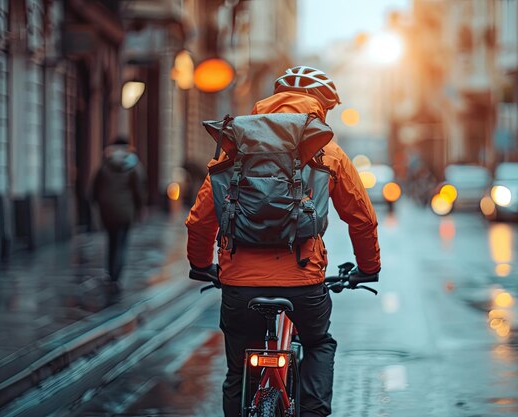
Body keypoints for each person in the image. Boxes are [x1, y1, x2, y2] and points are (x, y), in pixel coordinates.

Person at [185, 66, 381, 417]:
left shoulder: (236, 146)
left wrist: (201, 264)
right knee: (319, 343)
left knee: (237, 369)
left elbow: (201, 219)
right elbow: (362, 220)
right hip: (303, 281)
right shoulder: (327, 152)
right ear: (320, 106)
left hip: (239, 283)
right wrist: (368, 268)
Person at [92, 137, 146, 292]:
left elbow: (94, 188)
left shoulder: (105, 164)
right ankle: (116, 275)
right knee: (121, 243)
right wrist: (139, 208)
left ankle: (110, 273)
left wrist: (98, 203)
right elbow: (139, 190)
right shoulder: (134, 166)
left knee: (111, 241)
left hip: (107, 210)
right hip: (125, 211)